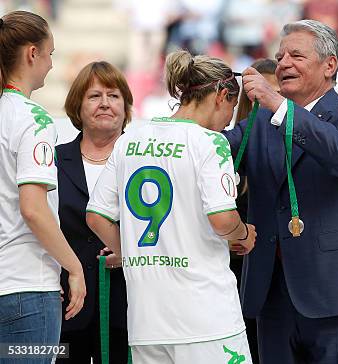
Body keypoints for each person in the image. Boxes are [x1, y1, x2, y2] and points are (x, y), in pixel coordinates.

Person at [223, 19, 338, 363]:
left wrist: (277, 105)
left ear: (330, 65)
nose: (283, 63)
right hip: (270, 298)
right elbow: (212, 150)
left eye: (295, 55)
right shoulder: (257, 124)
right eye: (280, 55)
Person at [85, 50, 256, 364]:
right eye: (231, 110)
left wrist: (129, 251)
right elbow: (221, 220)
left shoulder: (130, 138)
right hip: (206, 317)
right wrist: (243, 232)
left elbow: (96, 215)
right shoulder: (209, 142)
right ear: (221, 95)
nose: (226, 123)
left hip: (146, 321)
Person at [0, 10, 86, 358]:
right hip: (27, 289)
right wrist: (74, 266)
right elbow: (33, 210)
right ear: (32, 54)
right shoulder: (32, 118)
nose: (51, 64)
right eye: (50, 53)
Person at [56, 61, 133, 364]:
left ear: (126, 107)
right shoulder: (53, 160)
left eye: (113, 96)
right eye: (94, 96)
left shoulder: (142, 165)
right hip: (66, 303)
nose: (105, 104)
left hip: (125, 305)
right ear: (77, 105)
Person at [232, 57, 278, 364]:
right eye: (260, 95)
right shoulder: (228, 150)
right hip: (235, 288)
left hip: (281, 285)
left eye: (276, 94)